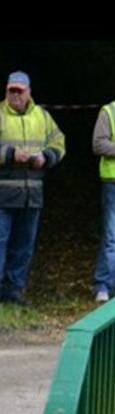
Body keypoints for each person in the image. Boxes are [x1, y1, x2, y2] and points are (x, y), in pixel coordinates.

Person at [0, 71, 66, 306]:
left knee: (24, 245)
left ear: (29, 93)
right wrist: (12, 154)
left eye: (19, 91)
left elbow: (59, 143)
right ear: (6, 91)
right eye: (11, 90)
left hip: (30, 194)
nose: (15, 95)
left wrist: (46, 157)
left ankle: (14, 291)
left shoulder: (43, 117)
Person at [92, 101, 115, 303]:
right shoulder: (109, 111)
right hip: (113, 182)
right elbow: (99, 144)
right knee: (111, 237)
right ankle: (103, 285)